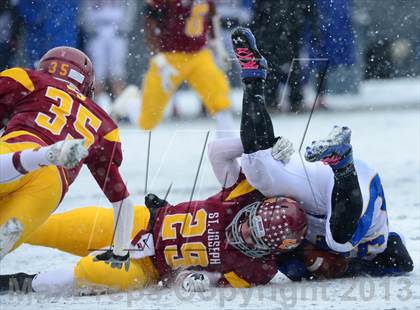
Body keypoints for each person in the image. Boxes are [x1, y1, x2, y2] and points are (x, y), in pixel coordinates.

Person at [225, 27, 413, 278]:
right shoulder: (377, 247)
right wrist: (352, 265)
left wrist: (272, 144)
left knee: (258, 168)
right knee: (339, 242)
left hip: (320, 195)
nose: (250, 233)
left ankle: (252, 77)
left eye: (251, 231)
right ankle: (343, 165)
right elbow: (402, 260)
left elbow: (219, 154)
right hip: (358, 188)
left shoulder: (288, 259)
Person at [0, 190, 307, 294]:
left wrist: (197, 278)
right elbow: (238, 153)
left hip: (147, 266)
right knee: (43, 227)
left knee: (91, 273)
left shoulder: (259, 269)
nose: (242, 231)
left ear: (273, 248)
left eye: (254, 235)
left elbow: (212, 281)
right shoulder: (241, 196)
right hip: (137, 223)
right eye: (248, 221)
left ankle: (17, 283)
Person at [0, 47, 134, 268]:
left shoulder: (29, 79)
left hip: (21, 147)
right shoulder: (104, 125)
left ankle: (42, 155)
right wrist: (121, 253)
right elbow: (122, 201)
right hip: (50, 186)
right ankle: (47, 156)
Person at [140, 0, 234, 136]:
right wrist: (159, 59)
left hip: (199, 54)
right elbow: (149, 24)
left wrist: (217, 44)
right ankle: (130, 104)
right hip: (169, 57)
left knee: (219, 95)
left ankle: (228, 140)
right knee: (149, 116)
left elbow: (212, 15)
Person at [79, 0, 137, 111]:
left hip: (116, 29)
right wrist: (89, 28)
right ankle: (96, 108)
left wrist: (124, 27)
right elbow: (84, 8)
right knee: (97, 73)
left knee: (117, 72)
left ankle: (120, 109)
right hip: (97, 29)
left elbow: (130, 6)